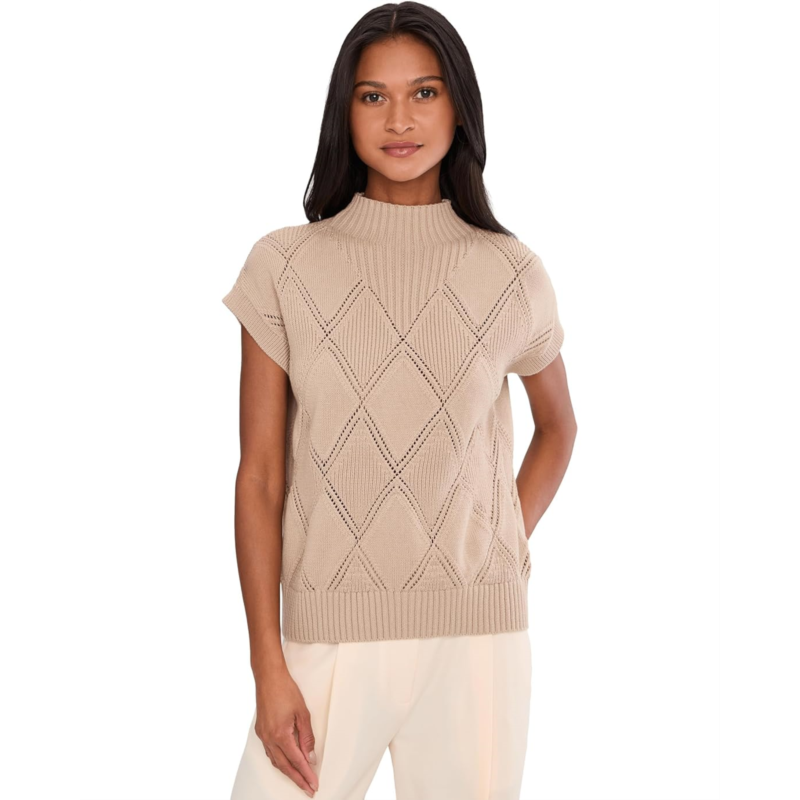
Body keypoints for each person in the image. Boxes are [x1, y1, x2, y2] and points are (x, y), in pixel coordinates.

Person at [220, 3, 578, 798]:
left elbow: (559, 428)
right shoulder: (283, 267)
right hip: (326, 634)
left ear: (459, 105)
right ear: (343, 112)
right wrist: (267, 666)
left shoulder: (513, 272)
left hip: (478, 641)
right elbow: (261, 477)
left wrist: (499, 542)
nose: (400, 119)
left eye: (424, 92)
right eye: (372, 96)